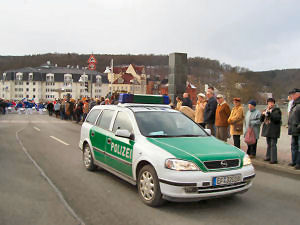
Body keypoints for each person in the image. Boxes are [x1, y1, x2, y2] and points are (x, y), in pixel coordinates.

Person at [260, 98, 282, 164]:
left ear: (274, 103)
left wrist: (269, 114)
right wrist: (263, 115)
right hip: (267, 129)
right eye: (269, 103)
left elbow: (277, 119)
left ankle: (274, 159)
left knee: (273, 144)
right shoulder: (266, 110)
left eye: (271, 103)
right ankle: (268, 156)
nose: (270, 104)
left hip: (274, 130)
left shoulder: (277, 110)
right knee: (268, 144)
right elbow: (261, 120)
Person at [288, 88, 300, 169]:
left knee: (299, 146)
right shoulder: (294, 103)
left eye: (293, 94)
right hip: (293, 129)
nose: (291, 95)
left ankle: (298, 163)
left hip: (298, 129)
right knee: (293, 146)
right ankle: (294, 161)